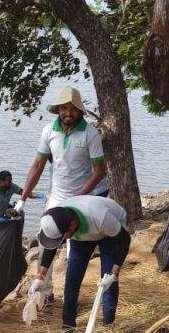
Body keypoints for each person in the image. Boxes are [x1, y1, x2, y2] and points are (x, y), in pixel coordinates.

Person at [16, 86, 109, 303]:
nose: (68, 113)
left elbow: (99, 171)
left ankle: (74, 296)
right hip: (57, 196)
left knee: (76, 246)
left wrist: (80, 196)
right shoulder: (49, 131)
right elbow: (38, 164)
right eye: (64, 108)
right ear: (58, 109)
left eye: (72, 109)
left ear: (79, 110)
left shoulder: (90, 133)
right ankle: (45, 293)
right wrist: (23, 197)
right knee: (46, 241)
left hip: (86, 196)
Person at [30, 195, 131, 333]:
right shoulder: (57, 216)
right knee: (71, 283)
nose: (62, 242)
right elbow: (52, 247)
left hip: (110, 233)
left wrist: (113, 274)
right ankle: (67, 329)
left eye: (63, 238)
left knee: (107, 285)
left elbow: (124, 240)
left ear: (72, 225)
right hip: (82, 237)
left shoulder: (100, 216)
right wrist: (40, 276)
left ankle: (107, 330)